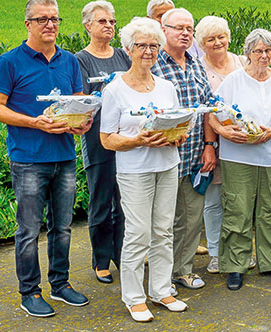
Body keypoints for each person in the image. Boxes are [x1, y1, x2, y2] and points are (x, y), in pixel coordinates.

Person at [0, 0, 91, 317]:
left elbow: (77, 103)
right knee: (29, 230)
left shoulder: (69, 61)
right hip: (29, 158)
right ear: (28, 24)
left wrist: (81, 123)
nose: (50, 25)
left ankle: (60, 284)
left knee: (62, 227)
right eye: (43, 19)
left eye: (55, 19)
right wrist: (34, 122)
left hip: (64, 157)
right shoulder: (9, 62)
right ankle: (29, 292)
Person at [100, 17, 188, 322]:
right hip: (135, 169)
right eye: (141, 45)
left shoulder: (166, 87)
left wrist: (178, 134)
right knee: (138, 233)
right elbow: (106, 139)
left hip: (168, 164)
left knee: (164, 230)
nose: (148, 51)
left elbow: (176, 123)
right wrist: (138, 140)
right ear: (128, 49)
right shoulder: (115, 91)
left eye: (153, 45)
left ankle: (161, 289)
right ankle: (134, 297)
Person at [214, 29, 271, 291]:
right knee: (237, 210)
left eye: (268, 50)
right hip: (238, 156)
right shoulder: (232, 81)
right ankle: (235, 266)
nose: (264, 55)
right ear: (247, 53)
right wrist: (225, 131)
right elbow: (213, 116)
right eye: (258, 51)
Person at [151, 8, 218, 293]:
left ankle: (183, 270)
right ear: (163, 30)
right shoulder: (153, 63)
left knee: (191, 219)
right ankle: (160, 277)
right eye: (178, 28)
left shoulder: (196, 63)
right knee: (162, 222)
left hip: (194, 156)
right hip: (163, 156)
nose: (185, 33)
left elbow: (207, 110)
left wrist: (209, 146)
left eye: (189, 29)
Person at [75, 0, 131, 284]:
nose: (109, 26)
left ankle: (122, 255)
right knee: (100, 200)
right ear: (88, 26)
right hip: (97, 139)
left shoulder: (123, 56)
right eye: (102, 21)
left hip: (125, 139)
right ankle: (100, 259)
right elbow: (80, 101)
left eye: (111, 21)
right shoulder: (80, 60)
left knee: (124, 202)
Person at [193, 16, 246, 275]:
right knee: (213, 200)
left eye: (221, 37)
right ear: (201, 44)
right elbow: (204, 111)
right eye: (210, 39)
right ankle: (215, 253)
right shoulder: (197, 68)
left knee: (238, 200)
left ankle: (238, 251)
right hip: (213, 140)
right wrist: (210, 144)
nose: (217, 42)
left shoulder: (242, 62)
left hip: (242, 142)